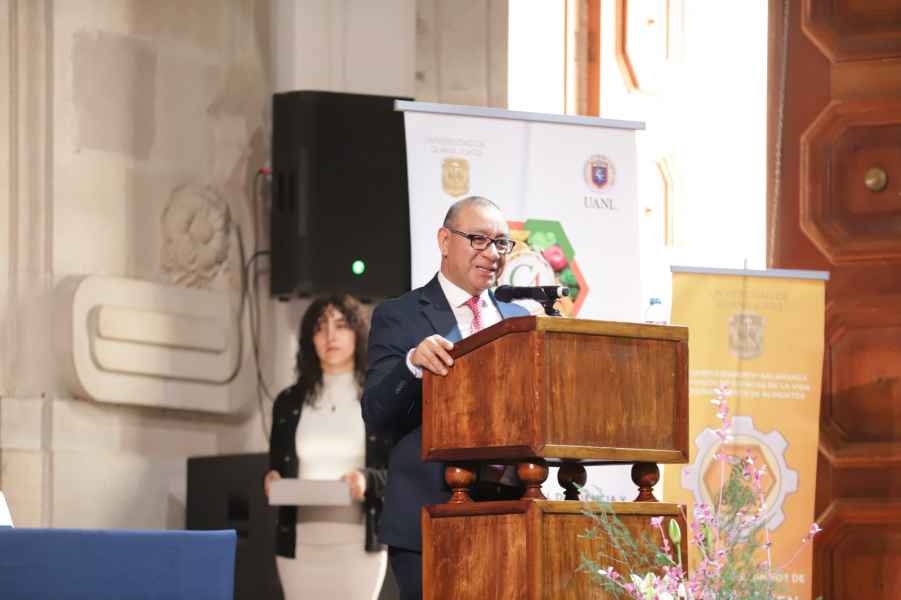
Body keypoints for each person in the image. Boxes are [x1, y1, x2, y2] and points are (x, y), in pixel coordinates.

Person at [361, 196, 530, 599]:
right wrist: (411, 365)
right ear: (444, 240)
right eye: (478, 239)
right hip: (429, 514)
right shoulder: (400, 315)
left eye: (501, 243)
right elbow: (375, 412)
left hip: (510, 511)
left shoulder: (519, 321)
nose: (492, 253)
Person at [264, 295, 391, 600]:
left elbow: (398, 472)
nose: (330, 336)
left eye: (341, 326)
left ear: (358, 334)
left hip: (360, 546)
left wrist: (366, 480)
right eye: (320, 328)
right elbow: (276, 468)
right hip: (298, 547)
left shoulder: (380, 395)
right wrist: (272, 479)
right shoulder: (288, 402)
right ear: (310, 339)